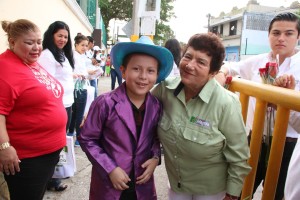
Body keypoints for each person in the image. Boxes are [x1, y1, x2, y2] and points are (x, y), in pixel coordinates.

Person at [151, 33, 251, 200]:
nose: (190, 65)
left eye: (201, 62)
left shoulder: (226, 104)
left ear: (213, 73)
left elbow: (239, 156)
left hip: (211, 191)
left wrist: (232, 194)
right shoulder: (164, 90)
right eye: (188, 57)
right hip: (177, 185)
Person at [216, 12, 300, 200]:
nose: (281, 38)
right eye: (276, 33)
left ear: (298, 36)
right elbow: (231, 66)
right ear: (269, 35)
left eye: (289, 33)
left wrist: (284, 101)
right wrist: (222, 72)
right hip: (254, 139)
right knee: (238, 190)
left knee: (277, 195)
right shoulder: (258, 61)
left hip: (288, 145)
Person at [78, 35, 174, 200]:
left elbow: (154, 139)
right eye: (136, 69)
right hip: (109, 184)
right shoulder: (105, 103)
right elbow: (87, 139)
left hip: (142, 184)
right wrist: (110, 168)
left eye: (150, 71)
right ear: (123, 71)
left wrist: (155, 158)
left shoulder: (156, 106)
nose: (143, 76)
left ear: (157, 75)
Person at [0, 19, 67, 200]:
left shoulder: (30, 62)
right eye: (29, 43)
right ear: (12, 42)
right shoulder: (5, 67)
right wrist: (4, 147)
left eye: (38, 42)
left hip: (47, 153)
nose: (36, 47)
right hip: (28, 158)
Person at [38, 20, 75, 192]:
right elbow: (47, 83)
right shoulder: (46, 54)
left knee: (59, 144)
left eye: (66, 36)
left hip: (67, 104)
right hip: (57, 107)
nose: (63, 39)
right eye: (59, 35)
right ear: (51, 35)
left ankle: (53, 176)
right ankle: (49, 180)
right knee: (53, 145)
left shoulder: (62, 54)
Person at [68, 34, 89, 146]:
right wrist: (82, 74)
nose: (84, 48)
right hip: (79, 88)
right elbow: (76, 72)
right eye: (82, 45)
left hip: (78, 87)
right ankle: (78, 138)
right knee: (79, 114)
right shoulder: (74, 56)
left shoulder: (80, 56)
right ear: (76, 44)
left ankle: (71, 134)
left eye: (86, 45)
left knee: (75, 112)